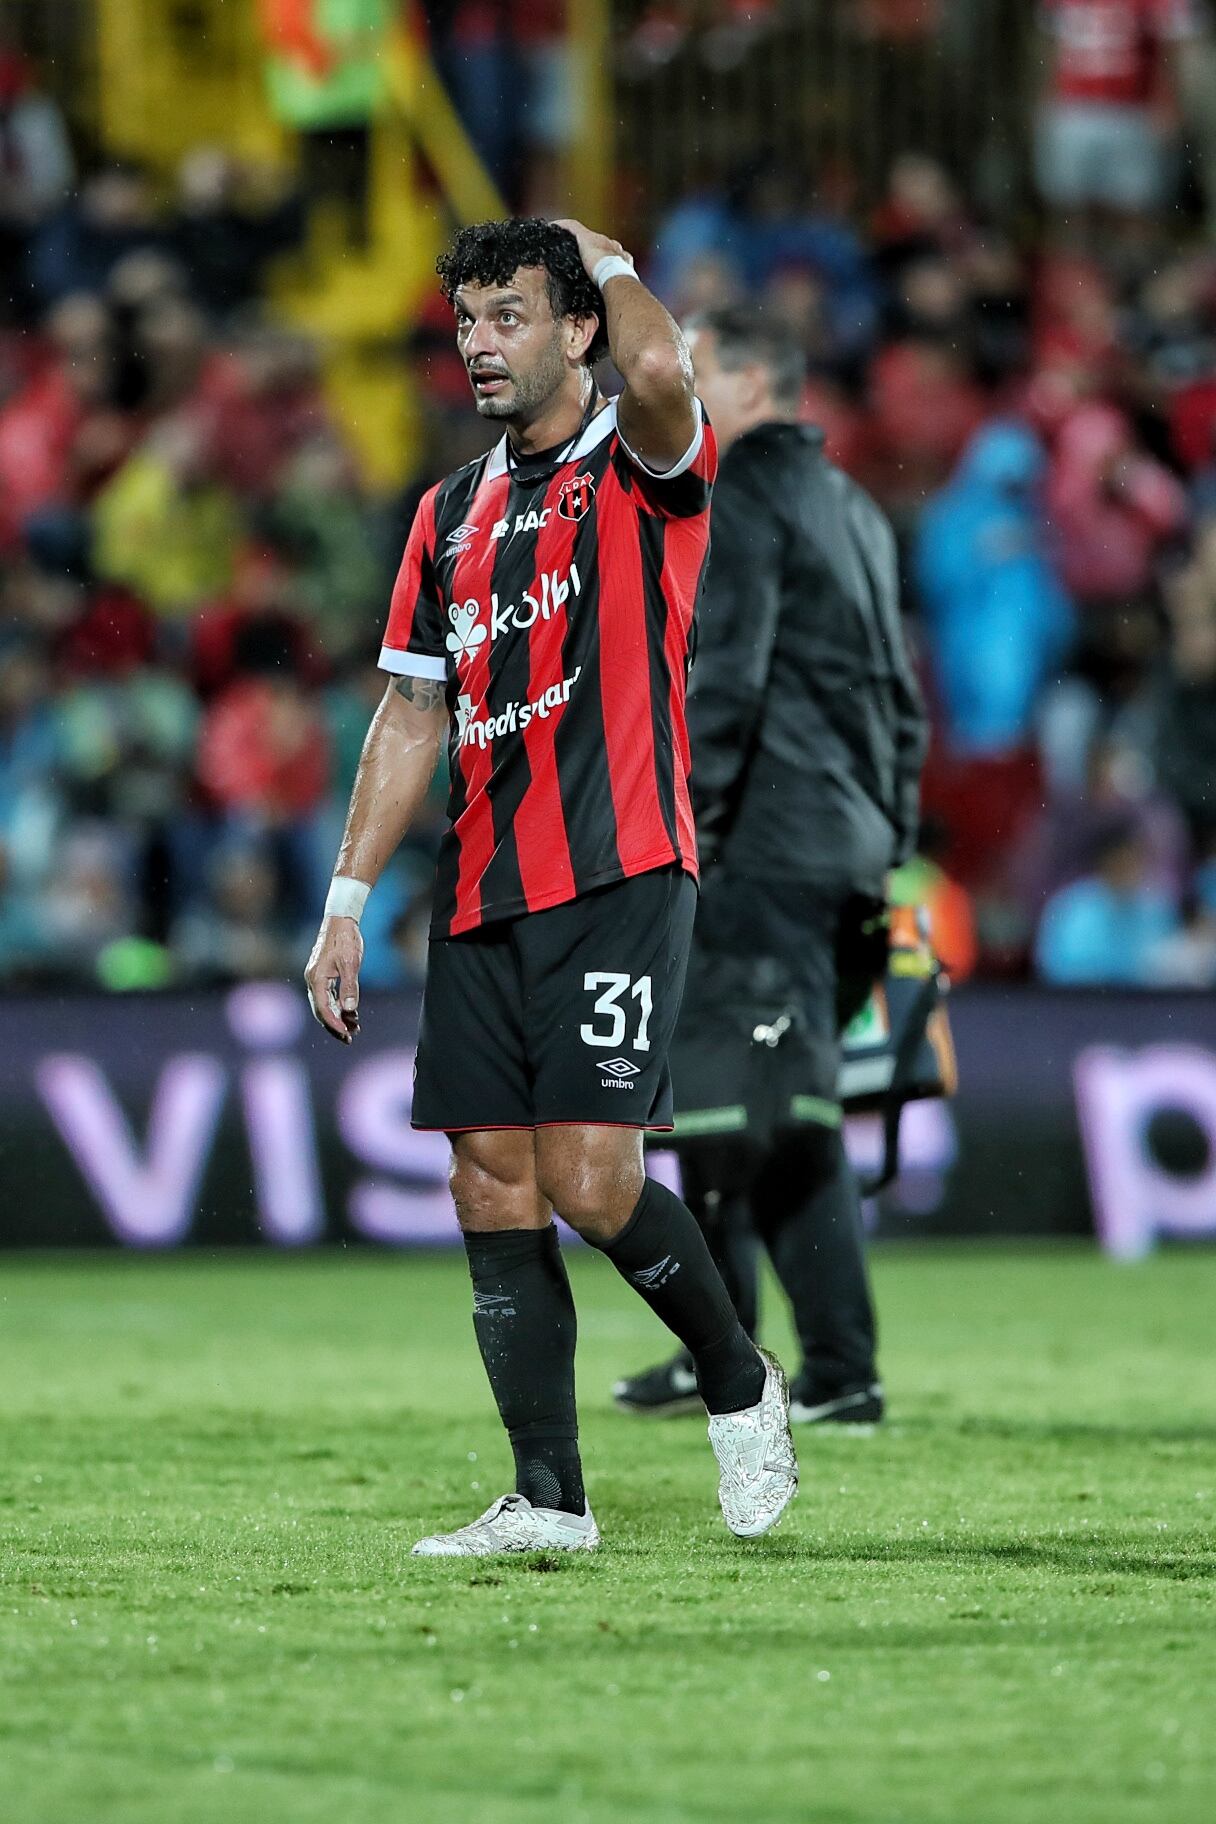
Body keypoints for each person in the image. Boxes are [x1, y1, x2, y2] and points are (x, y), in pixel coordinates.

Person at [303, 218, 797, 1556]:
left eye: (510, 315)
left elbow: (659, 377)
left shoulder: (642, 464)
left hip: (624, 867)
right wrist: (344, 906)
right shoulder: (446, 513)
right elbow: (411, 714)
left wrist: (617, 261)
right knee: (487, 1180)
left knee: (590, 1179)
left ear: (576, 329)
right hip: (482, 886)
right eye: (466, 321)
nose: (479, 342)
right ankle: (549, 1499)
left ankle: (741, 1382)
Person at [612, 305, 928, 1426]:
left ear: (748, 381)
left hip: (758, 840)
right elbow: (900, 698)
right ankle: (798, 1364)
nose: (676, 393)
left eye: (692, 370)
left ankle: (801, 1366)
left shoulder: (737, 491)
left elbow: (726, 679)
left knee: (738, 1110)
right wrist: (887, 841)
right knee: (766, 1102)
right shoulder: (855, 509)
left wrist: (672, 824)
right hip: (839, 848)